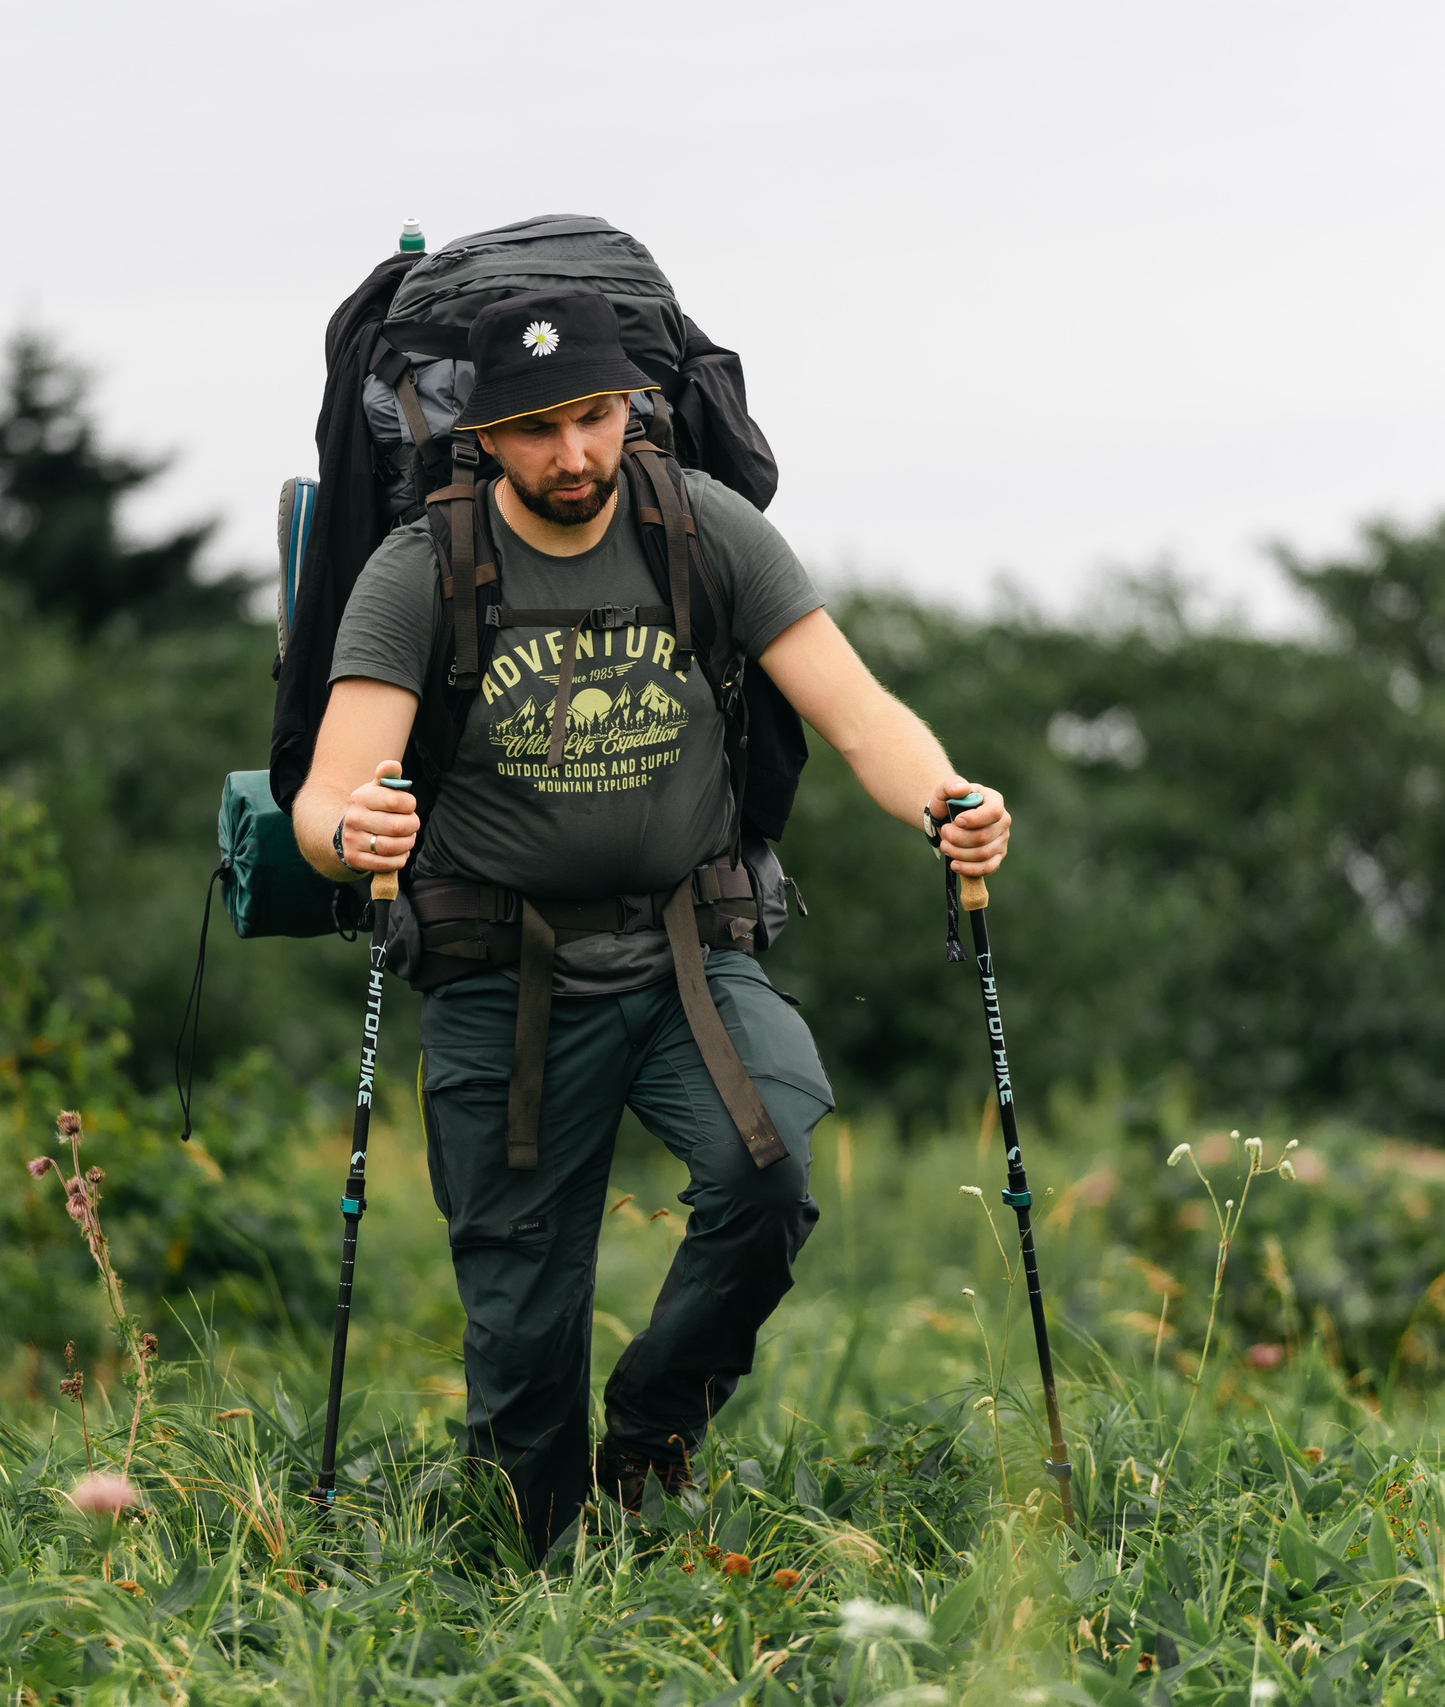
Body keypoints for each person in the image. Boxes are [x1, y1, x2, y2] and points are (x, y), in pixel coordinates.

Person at [296, 285, 1009, 1558]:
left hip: (688, 948)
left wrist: (947, 802)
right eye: (539, 429)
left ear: (636, 406)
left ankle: (652, 1436)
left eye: (598, 417)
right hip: (496, 976)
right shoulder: (424, 569)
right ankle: (534, 1561)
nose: (574, 455)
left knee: (771, 1166)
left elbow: (857, 713)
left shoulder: (702, 528)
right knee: (521, 1328)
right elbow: (329, 790)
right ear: (484, 434)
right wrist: (352, 834)